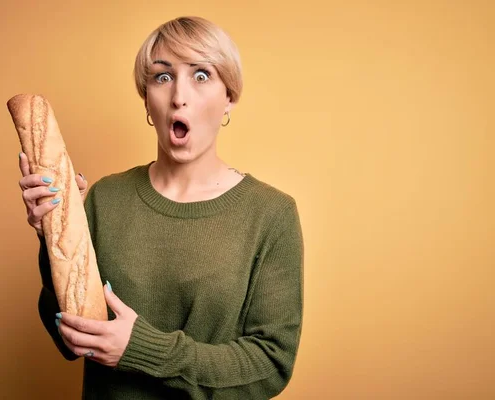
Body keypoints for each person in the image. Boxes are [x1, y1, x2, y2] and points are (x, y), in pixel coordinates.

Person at [17, 16, 304, 399]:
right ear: (147, 100)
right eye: (162, 77)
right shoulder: (105, 198)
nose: (178, 96)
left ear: (229, 98)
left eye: (201, 75)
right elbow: (68, 339)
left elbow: (271, 365)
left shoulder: (271, 214)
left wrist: (142, 350)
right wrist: (51, 234)